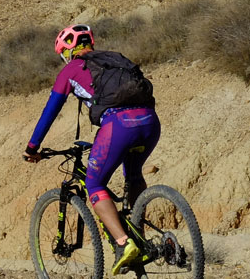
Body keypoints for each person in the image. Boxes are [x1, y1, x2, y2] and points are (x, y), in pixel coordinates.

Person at [23, 24, 160, 276]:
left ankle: (124, 243)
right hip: (150, 121)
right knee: (133, 174)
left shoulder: (71, 69)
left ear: (67, 51)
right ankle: (139, 237)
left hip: (118, 126)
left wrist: (33, 147)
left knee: (95, 184)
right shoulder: (115, 60)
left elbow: (50, 112)